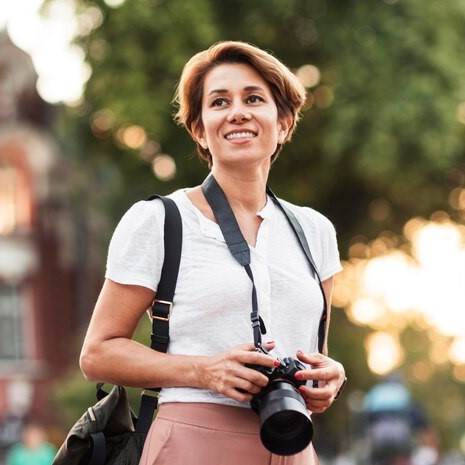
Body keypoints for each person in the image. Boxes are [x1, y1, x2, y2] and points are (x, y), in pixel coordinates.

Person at [79, 40, 346, 465]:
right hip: (193, 440)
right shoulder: (159, 220)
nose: (238, 111)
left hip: (293, 442)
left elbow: (318, 352)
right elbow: (97, 353)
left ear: (284, 121)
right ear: (200, 129)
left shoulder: (316, 231)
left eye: (254, 98)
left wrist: (332, 378)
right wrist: (202, 370)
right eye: (219, 102)